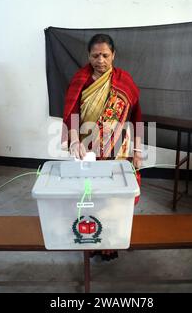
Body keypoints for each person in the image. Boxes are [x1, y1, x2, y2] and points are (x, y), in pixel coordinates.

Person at [62, 34, 143, 261]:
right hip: (87, 150)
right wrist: (75, 140)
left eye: (105, 55)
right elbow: (71, 114)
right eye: (95, 55)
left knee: (114, 197)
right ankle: (90, 239)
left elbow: (137, 116)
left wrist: (137, 151)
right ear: (88, 55)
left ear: (113, 55)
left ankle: (112, 241)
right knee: (90, 194)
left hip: (118, 150)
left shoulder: (124, 81)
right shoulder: (80, 80)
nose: (100, 60)